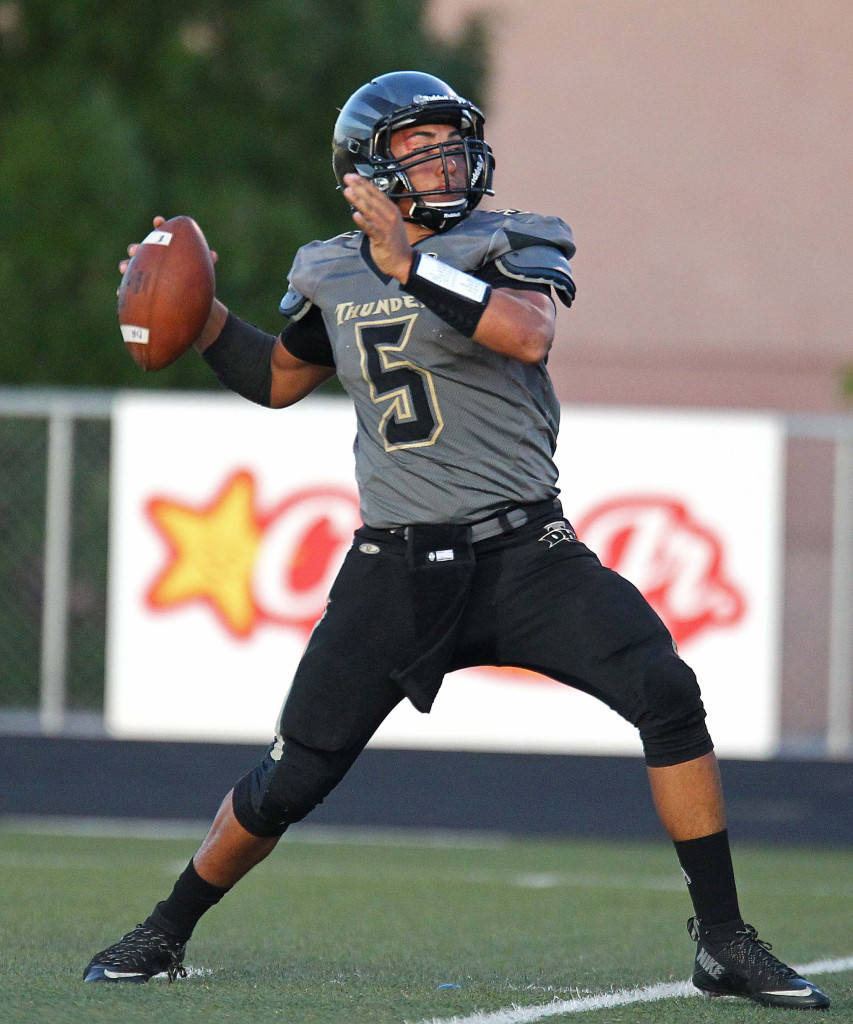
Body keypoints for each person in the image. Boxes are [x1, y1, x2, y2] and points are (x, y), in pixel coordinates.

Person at [84, 71, 829, 1010]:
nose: (443, 158)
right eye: (417, 146)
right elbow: (279, 379)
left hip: (522, 552)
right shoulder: (329, 268)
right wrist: (194, 316)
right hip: (392, 565)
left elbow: (526, 333)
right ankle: (165, 928)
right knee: (287, 781)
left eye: (450, 140)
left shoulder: (505, 238)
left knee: (665, 692)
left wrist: (410, 264)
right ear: (364, 172)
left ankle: (721, 940)